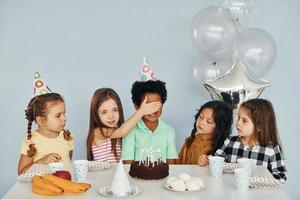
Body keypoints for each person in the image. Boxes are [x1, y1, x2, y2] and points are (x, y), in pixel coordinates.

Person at [214, 98, 287, 182]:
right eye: (239, 118)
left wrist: (260, 180)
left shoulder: (271, 150)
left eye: (244, 120)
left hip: (259, 194)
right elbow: (217, 160)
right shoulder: (230, 142)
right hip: (232, 190)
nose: (238, 123)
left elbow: (281, 176)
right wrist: (207, 161)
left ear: (259, 126)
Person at [86, 88, 161, 163]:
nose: (111, 116)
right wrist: (141, 111)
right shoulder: (97, 132)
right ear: (96, 114)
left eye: (115, 110)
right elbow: (122, 131)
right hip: (102, 174)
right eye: (104, 112)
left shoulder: (119, 132)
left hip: (118, 174)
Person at [122, 80, 178, 164]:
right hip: (136, 176)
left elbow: (172, 165)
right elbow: (127, 163)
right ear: (137, 106)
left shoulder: (169, 131)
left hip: (162, 176)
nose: (153, 109)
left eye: (157, 104)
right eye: (148, 105)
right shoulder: (130, 131)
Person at [18, 93, 73, 175]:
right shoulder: (31, 142)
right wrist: (41, 162)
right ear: (41, 120)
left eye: (64, 113)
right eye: (58, 116)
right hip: (43, 186)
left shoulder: (67, 136)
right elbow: (21, 173)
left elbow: (68, 162)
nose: (64, 118)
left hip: (66, 185)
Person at [177, 101, 233, 165]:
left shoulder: (224, 147)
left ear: (219, 127)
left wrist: (209, 163)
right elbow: (178, 165)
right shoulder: (189, 141)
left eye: (209, 121)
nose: (201, 122)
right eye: (201, 117)